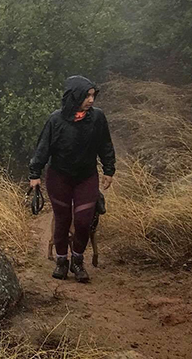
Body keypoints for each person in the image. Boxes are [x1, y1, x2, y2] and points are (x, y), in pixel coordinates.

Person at [29, 75, 115, 283]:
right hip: (59, 177)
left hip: (86, 176)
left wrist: (109, 170)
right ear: (75, 96)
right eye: (87, 96)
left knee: (84, 221)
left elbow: (105, 144)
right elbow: (43, 148)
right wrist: (35, 174)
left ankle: (78, 260)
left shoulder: (97, 118)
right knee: (63, 219)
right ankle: (61, 261)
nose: (91, 100)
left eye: (93, 95)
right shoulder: (56, 120)